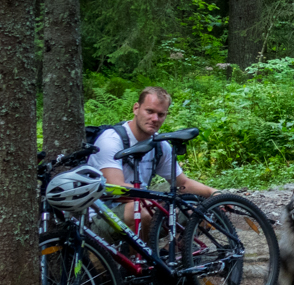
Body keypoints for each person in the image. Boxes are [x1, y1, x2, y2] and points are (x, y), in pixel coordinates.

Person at [88, 86, 217, 232]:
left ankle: (171, 252)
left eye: (161, 114)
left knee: (201, 211)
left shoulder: (160, 145)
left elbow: (183, 183)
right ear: (136, 108)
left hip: (144, 205)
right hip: (101, 218)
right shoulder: (111, 140)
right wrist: (155, 201)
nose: (155, 119)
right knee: (138, 210)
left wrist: (215, 194)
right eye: (149, 111)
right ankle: (141, 255)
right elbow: (115, 188)